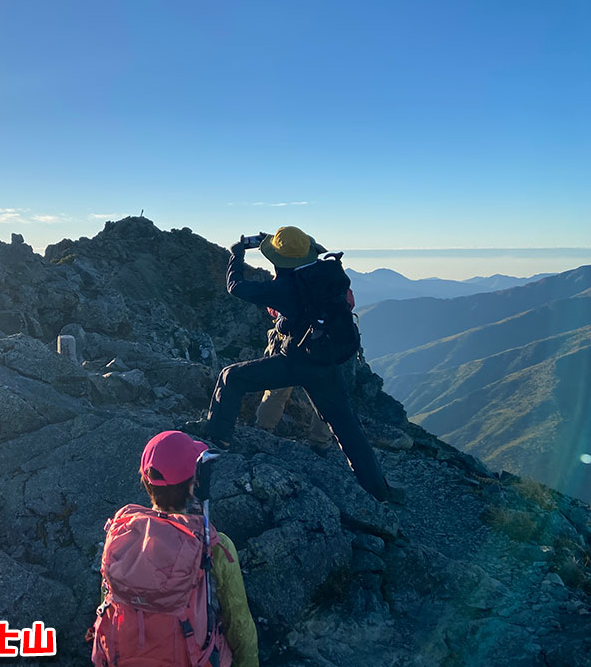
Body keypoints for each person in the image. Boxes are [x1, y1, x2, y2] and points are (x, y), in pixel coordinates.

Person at [199, 226, 397, 503]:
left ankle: (216, 441)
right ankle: (379, 490)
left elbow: (236, 287)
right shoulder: (329, 273)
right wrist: (279, 243)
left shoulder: (282, 287)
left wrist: (237, 254)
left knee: (231, 377)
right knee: (348, 428)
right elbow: (304, 256)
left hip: (294, 361)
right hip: (328, 364)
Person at [91, 430, 260, 667]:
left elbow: (107, 601)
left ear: (145, 480)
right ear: (195, 485)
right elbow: (240, 627)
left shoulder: (120, 533)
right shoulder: (213, 546)